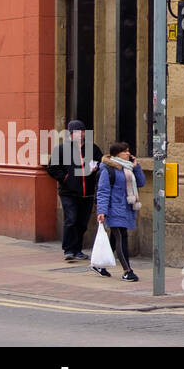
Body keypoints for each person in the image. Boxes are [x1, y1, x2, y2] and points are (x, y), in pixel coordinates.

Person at [46, 120, 103, 262]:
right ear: (71, 134)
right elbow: (52, 168)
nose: (80, 134)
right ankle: (69, 250)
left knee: (82, 222)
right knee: (71, 219)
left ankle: (78, 249)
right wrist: (65, 178)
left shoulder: (93, 148)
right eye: (76, 132)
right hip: (69, 192)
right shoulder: (61, 149)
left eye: (82, 131)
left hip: (87, 192)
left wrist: (96, 169)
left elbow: (101, 163)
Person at [94, 142, 145, 281]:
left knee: (115, 238)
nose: (128, 153)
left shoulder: (128, 168)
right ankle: (127, 270)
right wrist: (102, 211)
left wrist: (136, 167)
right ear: (117, 154)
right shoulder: (108, 169)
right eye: (125, 152)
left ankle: (100, 265)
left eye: (128, 151)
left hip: (126, 208)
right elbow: (103, 192)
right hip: (113, 209)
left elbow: (141, 183)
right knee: (122, 238)